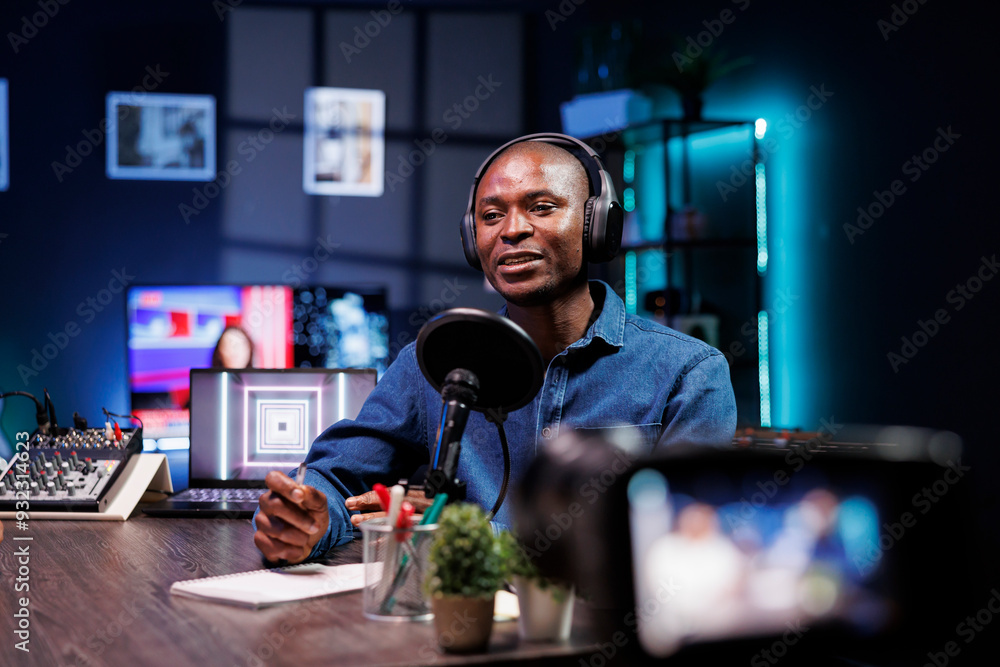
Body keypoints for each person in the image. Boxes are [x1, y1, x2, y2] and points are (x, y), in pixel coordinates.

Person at [253, 134, 737, 564]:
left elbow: (681, 550)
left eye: (541, 207)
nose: (511, 230)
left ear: (597, 225)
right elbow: (336, 478)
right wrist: (305, 518)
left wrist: (464, 533)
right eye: (490, 216)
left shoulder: (688, 374)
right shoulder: (433, 363)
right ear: (473, 239)